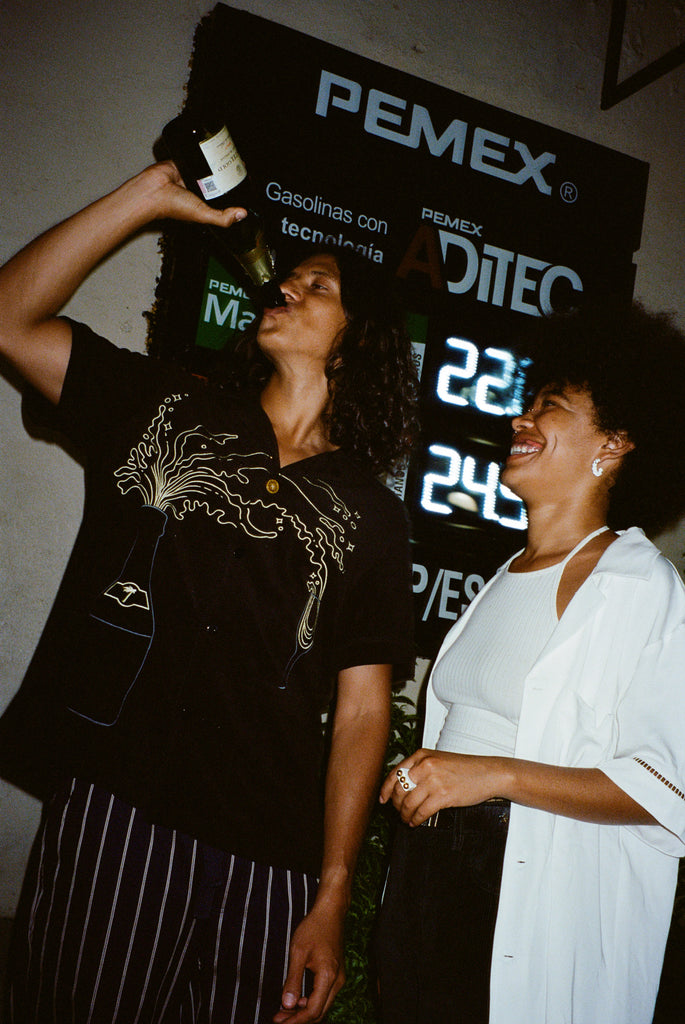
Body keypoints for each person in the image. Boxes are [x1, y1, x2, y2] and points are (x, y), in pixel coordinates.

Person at [0, 157, 418, 1023]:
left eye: (319, 286)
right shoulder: (164, 408)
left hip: (271, 856)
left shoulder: (372, 516)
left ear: (359, 338)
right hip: (120, 814)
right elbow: (9, 318)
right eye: (289, 277)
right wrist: (147, 200)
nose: (287, 288)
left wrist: (332, 892)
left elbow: (362, 711)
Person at [375, 300, 685, 1024]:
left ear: (613, 444)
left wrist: (493, 775)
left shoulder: (639, 584)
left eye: (550, 406)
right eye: (527, 403)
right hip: (428, 881)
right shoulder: (499, 580)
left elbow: (664, 788)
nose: (520, 418)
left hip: (515, 894)